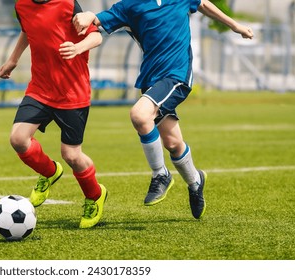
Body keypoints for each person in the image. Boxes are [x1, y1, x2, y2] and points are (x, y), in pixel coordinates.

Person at [73, 0, 253, 219]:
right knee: (173, 143)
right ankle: (196, 181)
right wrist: (88, 15)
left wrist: (235, 26)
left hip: (177, 75)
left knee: (139, 115)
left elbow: (203, 3)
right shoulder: (130, 5)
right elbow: (98, 21)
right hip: (151, 81)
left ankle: (161, 174)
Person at [0, 0, 107, 229]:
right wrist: (13, 59)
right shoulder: (22, 6)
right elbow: (28, 30)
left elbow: (96, 37)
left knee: (72, 156)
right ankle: (49, 172)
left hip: (72, 92)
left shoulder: (68, 4)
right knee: (18, 139)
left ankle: (95, 196)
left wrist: (78, 48)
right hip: (40, 89)